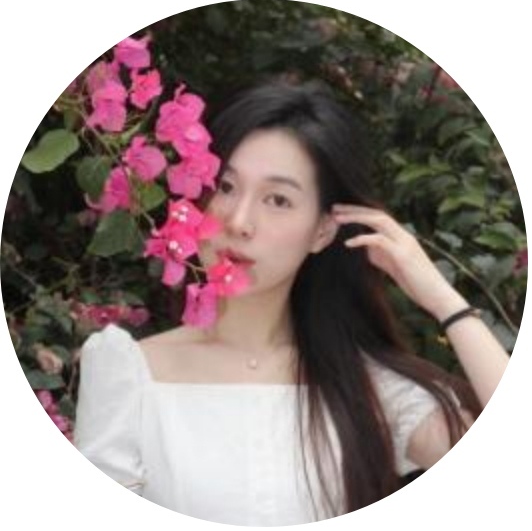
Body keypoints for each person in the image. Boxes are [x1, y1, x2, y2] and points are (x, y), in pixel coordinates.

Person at [74, 74, 486, 524]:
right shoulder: (129, 373)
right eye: (226, 186)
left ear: (322, 231)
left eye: (278, 200)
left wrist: (444, 300)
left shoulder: (369, 388)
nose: (240, 221)